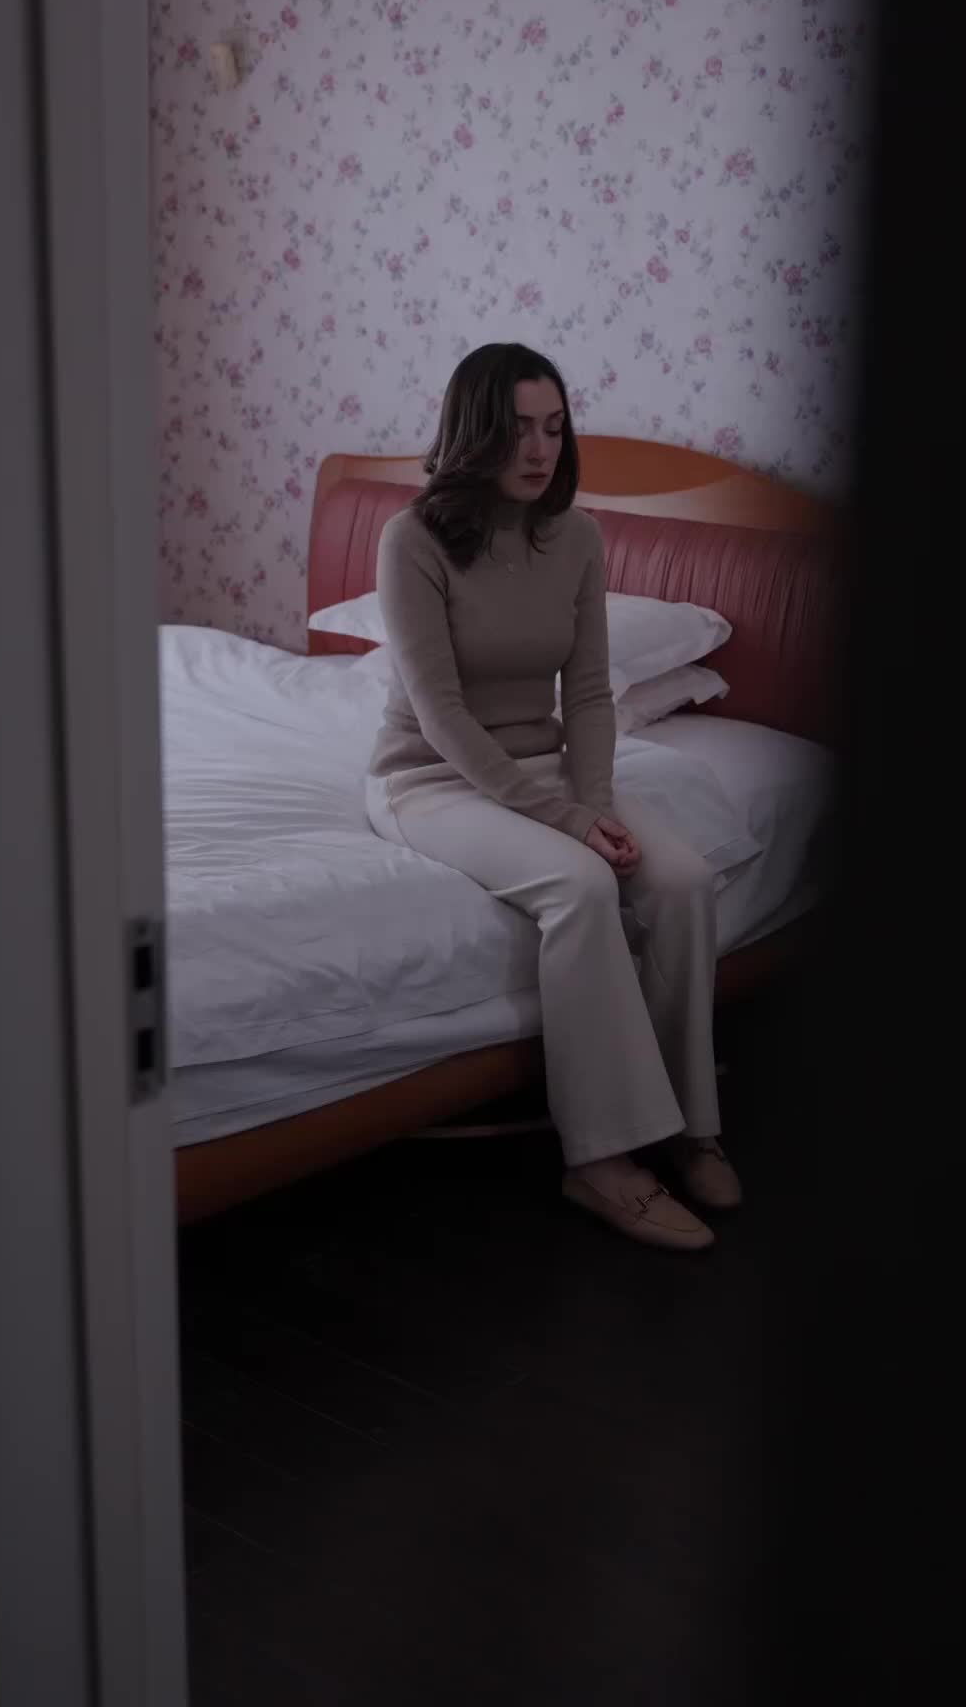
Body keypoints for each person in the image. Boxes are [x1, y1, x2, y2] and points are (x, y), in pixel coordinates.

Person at [364, 342, 742, 1252]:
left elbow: (592, 692)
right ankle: (601, 1162)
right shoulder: (411, 540)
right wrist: (570, 824)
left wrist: (594, 801)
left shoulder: (576, 536)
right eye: (517, 429)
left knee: (683, 879)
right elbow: (442, 715)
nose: (539, 450)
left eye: (554, 427)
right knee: (579, 885)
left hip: (546, 767)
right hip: (431, 776)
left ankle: (691, 1126)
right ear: (473, 433)